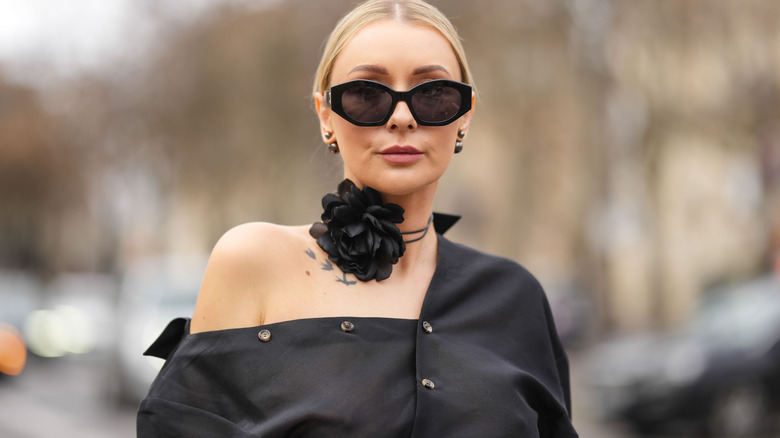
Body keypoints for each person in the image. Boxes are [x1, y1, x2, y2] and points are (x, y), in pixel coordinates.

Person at [137, 0, 579, 436]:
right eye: (367, 94)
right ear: (326, 114)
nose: (402, 118)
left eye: (434, 94)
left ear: (464, 116)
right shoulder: (253, 262)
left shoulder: (516, 297)